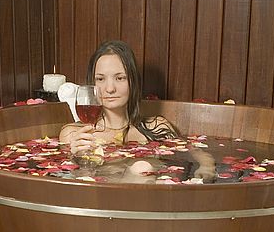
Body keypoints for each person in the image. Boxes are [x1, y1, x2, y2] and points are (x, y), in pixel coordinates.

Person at [59, 39, 216, 181]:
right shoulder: (74, 135)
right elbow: (69, 179)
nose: (109, 88)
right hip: (100, 204)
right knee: (142, 168)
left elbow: (198, 155)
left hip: (148, 204)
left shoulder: (156, 126)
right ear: (92, 85)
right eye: (100, 79)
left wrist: (206, 167)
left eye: (120, 78)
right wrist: (76, 156)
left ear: (133, 82)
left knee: (142, 168)